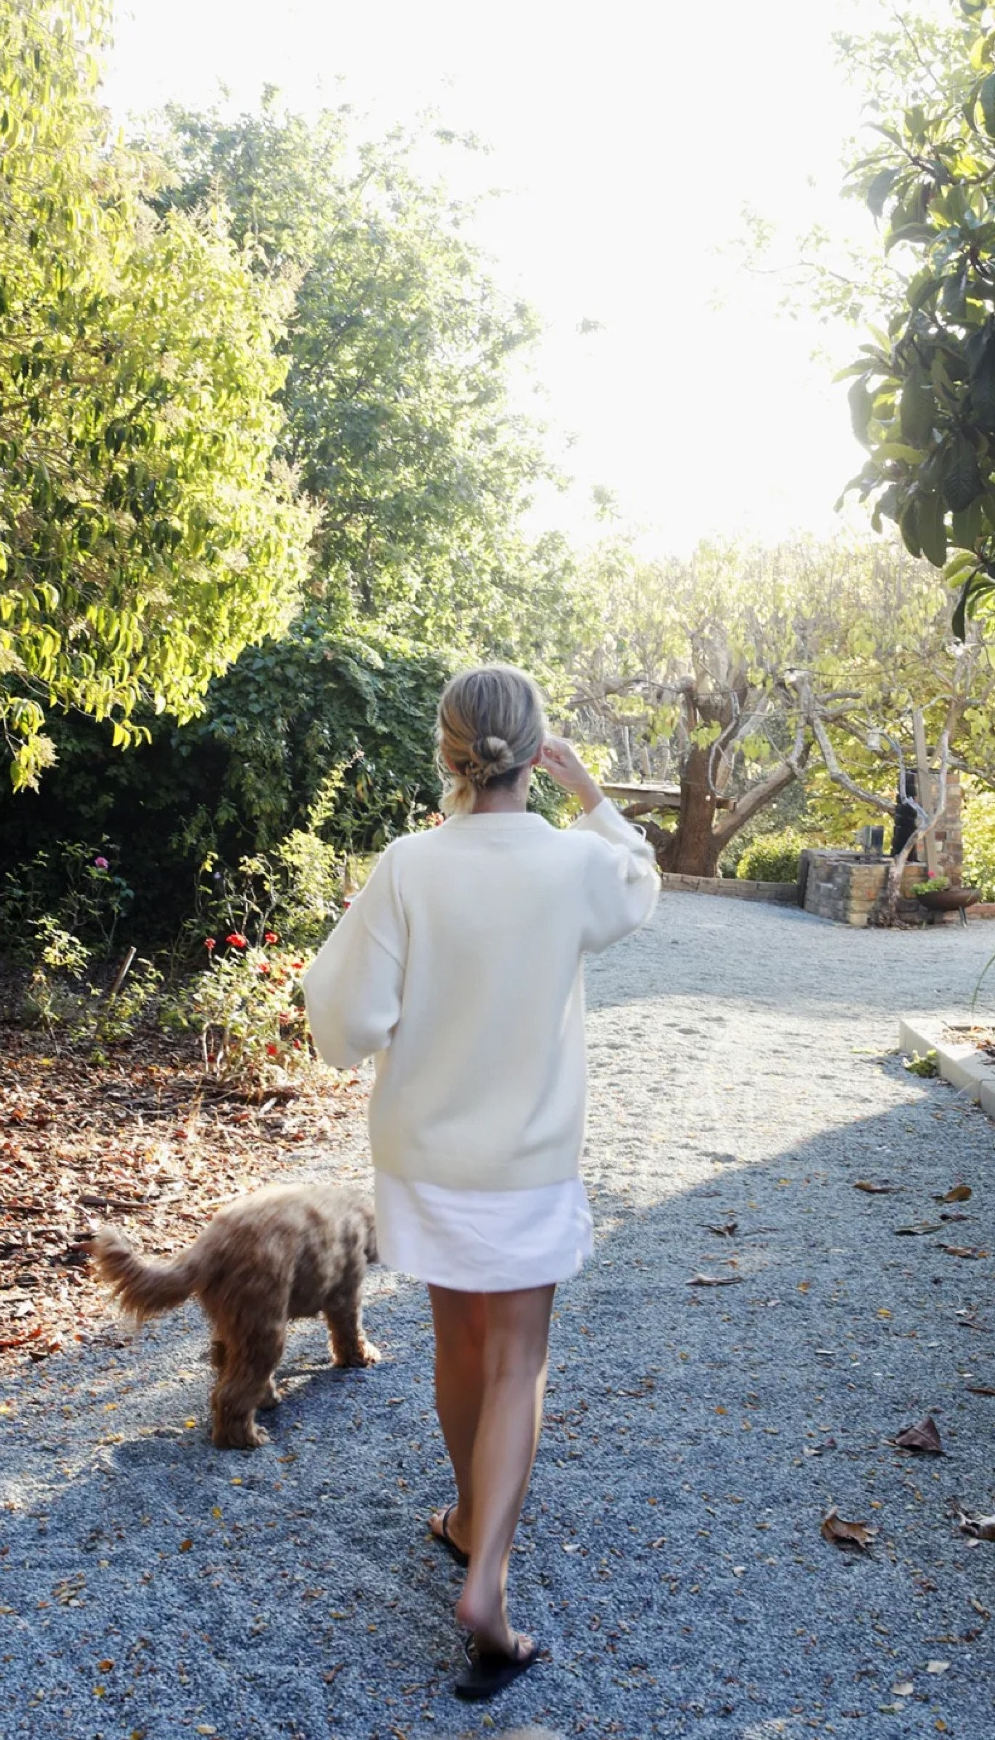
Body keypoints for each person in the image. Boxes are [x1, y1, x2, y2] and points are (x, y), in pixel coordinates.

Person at [301, 663, 659, 1701]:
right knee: (516, 1358)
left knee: (458, 1341)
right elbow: (639, 883)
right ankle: (486, 1578)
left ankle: (466, 1519)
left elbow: (345, 1018)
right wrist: (590, 794)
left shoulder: (409, 864)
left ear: (447, 750)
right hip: (526, 1156)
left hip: (424, 1149)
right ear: (535, 751)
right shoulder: (570, 861)